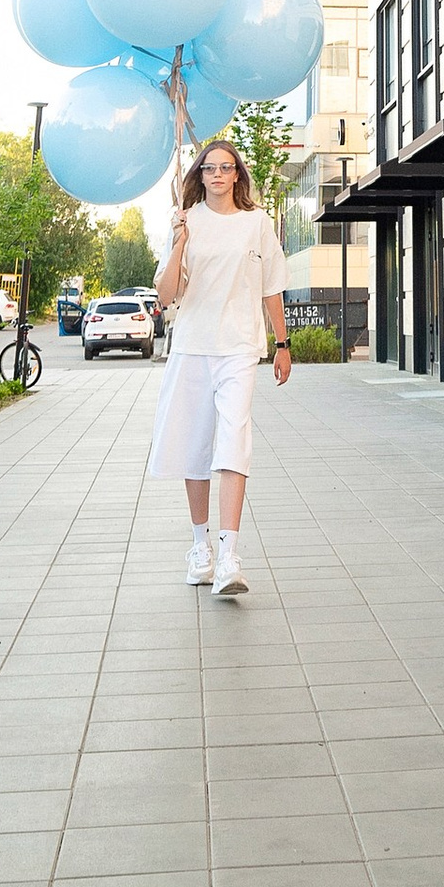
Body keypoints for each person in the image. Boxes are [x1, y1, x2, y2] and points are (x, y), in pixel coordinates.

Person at [147, 134, 290, 596]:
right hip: (191, 345)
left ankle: (229, 554)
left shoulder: (257, 224)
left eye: (226, 167)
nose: (217, 175)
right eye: (209, 168)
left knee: (234, 440)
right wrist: (178, 241)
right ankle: (200, 547)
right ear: (199, 176)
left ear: (237, 174)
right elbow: (167, 296)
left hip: (239, 348)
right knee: (194, 445)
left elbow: (271, 288)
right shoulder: (187, 222)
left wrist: (282, 343)